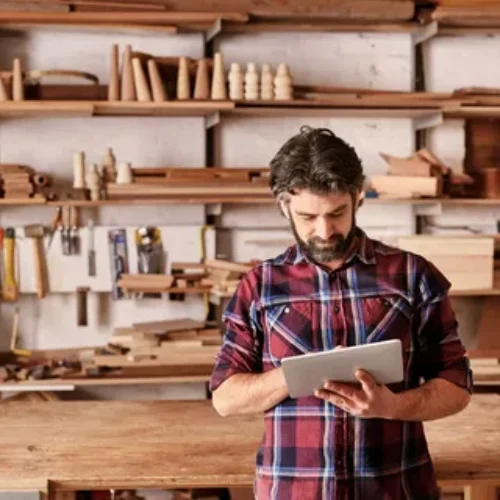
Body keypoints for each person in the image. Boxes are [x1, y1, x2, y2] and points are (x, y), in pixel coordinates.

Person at [209, 126, 472, 500]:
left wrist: (392, 406)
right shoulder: (260, 285)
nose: (325, 231)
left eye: (337, 213)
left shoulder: (413, 276)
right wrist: (293, 375)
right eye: (307, 217)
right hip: (292, 492)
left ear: (358, 197)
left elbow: (457, 387)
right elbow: (224, 398)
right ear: (284, 205)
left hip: (396, 489)